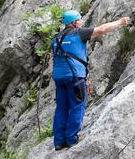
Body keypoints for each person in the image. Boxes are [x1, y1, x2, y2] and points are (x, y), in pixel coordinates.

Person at [52, 10, 130, 150]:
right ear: (74, 22)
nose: (81, 21)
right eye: (79, 19)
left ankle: (58, 141)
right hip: (75, 77)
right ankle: (71, 139)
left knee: (62, 108)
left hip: (59, 78)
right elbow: (102, 29)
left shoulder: (56, 38)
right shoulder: (79, 33)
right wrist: (120, 22)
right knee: (77, 106)